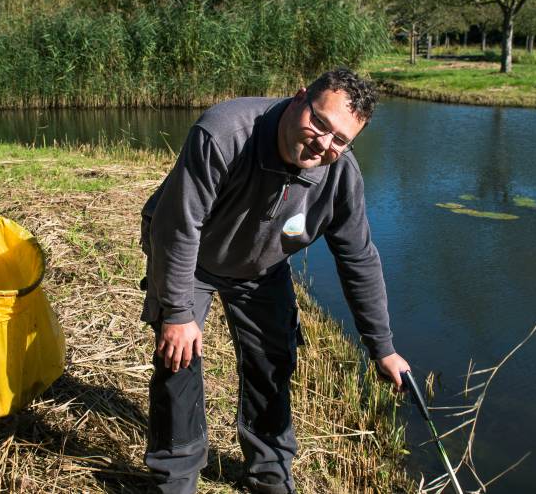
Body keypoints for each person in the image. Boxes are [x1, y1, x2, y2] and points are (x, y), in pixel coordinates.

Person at [140, 68, 411, 493]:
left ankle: (268, 474)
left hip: (260, 267)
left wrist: (383, 348)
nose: (324, 143)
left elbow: (358, 259)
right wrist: (176, 312)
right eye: (320, 123)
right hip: (189, 255)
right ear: (300, 97)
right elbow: (178, 226)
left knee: (273, 360)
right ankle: (174, 477)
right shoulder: (225, 132)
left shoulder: (340, 176)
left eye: (340, 139)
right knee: (180, 358)